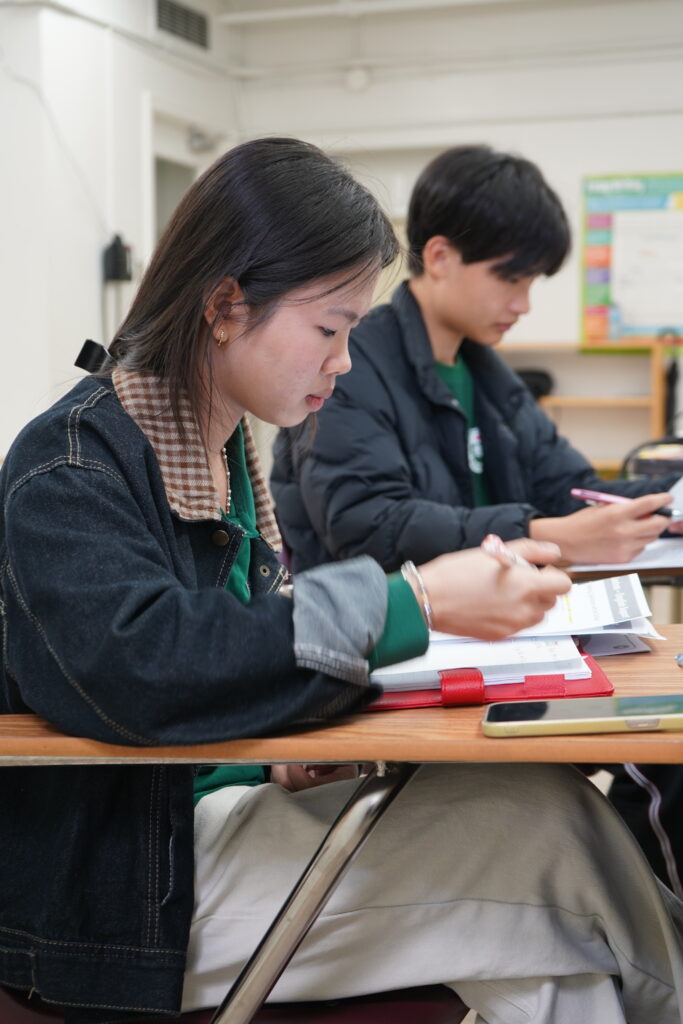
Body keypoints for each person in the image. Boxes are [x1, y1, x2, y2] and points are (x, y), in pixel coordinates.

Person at [1, 138, 683, 1024]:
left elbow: (216, 651)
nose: (344, 361)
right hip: (126, 891)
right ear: (224, 304)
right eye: (329, 328)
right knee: (557, 854)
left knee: (550, 882)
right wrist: (422, 602)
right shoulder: (70, 467)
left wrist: (279, 740)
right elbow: (145, 661)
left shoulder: (216, 447)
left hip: (196, 824)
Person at [271, 143, 682, 575]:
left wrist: (670, 499)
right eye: (510, 279)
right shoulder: (351, 367)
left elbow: (572, 491)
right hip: (394, 635)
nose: (523, 305)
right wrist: (541, 533)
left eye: (532, 283)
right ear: (439, 258)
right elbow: (371, 528)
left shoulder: (488, 375)